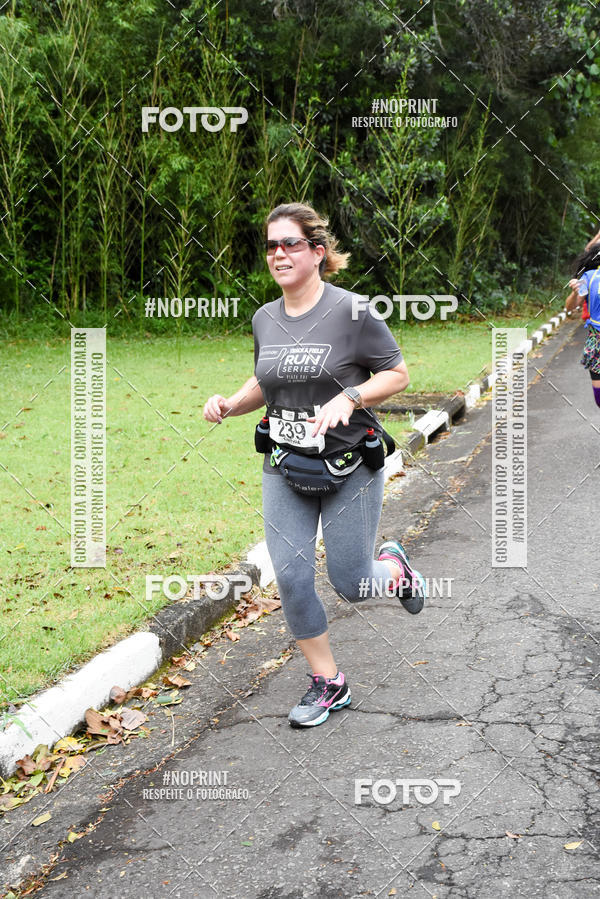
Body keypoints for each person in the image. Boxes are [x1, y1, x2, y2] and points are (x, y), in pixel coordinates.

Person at [203, 202, 426, 728]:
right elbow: (267, 380)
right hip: (284, 463)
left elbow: (397, 374)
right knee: (293, 577)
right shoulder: (264, 317)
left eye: (290, 244)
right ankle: (329, 682)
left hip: (349, 464)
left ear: (318, 252)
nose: (278, 254)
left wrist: (350, 396)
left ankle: (393, 570)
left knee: (351, 582)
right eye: (271, 245)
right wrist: (232, 403)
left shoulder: (353, 311)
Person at [565, 239, 600, 408]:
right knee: (599, 398)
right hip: (596, 341)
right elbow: (571, 307)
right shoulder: (590, 277)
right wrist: (575, 293)